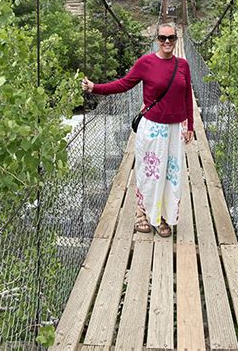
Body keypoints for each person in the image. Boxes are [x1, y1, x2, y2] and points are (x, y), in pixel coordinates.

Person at [81, 23, 194, 237]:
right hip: (151, 129)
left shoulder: (183, 66)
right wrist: (95, 88)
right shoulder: (146, 63)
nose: (167, 42)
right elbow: (123, 84)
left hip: (174, 129)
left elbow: (187, 95)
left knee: (171, 176)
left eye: (171, 38)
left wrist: (190, 125)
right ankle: (142, 213)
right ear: (156, 40)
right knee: (149, 173)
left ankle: (161, 217)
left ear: (176, 39)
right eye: (162, 38)